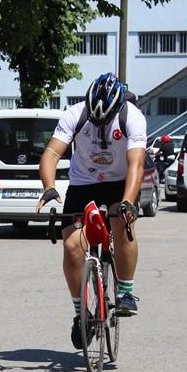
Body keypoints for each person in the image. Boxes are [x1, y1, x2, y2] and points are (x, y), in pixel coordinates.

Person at [36, 72, 147, 350]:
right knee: (73, 246)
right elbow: (51, 153)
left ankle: (126, 292)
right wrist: (49, 186)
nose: (101, 124)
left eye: (105, 119)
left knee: (122, 224)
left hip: (119, 182)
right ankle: (80, 314)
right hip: (83, 184)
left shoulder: (132, 117)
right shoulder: (75, 114)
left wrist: (129, 202)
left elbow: (136, 164)